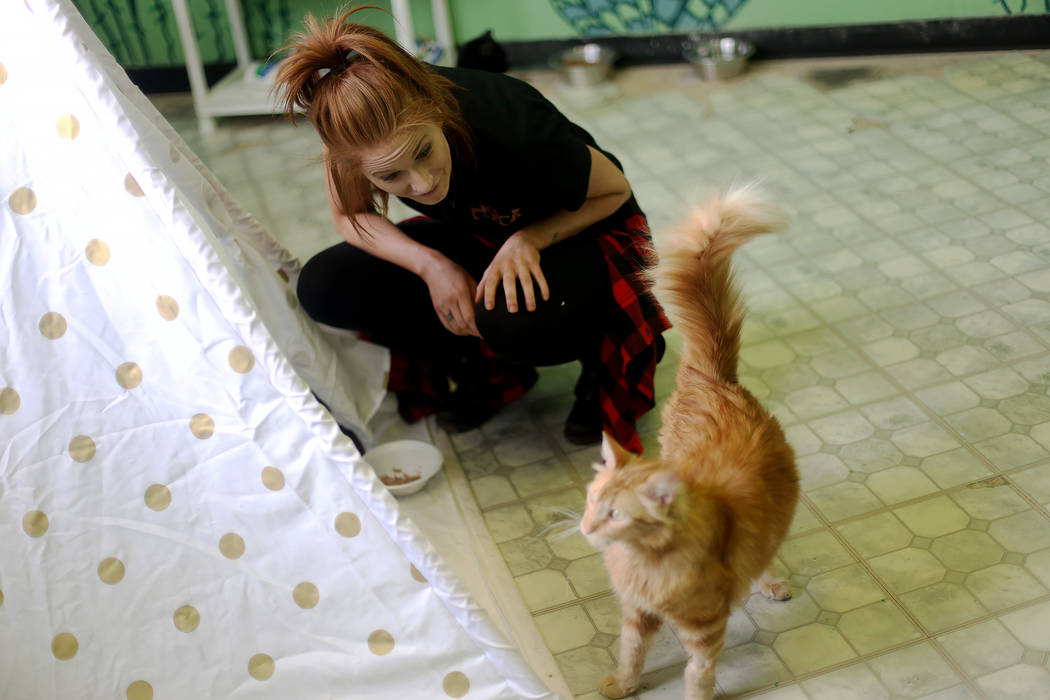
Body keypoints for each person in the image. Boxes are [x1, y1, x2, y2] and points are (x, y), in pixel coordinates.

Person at [273, 8, 669, 454]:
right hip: (480, 230)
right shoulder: (349, 133)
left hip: (582, 231)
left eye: (423, 151)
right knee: (326, 285)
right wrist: (432, 266)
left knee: (511, 320)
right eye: (391, 176)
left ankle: (599, 367)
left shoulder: (509, 119)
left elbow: (614, 192)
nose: (421, 183)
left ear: (435, 109)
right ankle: (484, 372)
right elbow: (351, 217)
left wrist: (530, 239)